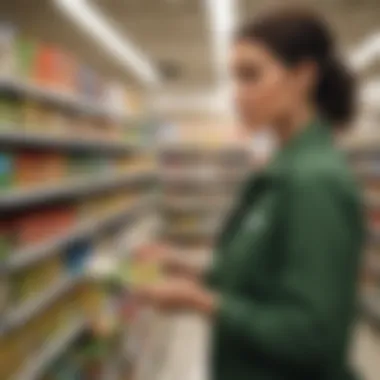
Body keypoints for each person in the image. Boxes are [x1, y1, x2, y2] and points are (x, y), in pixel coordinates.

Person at [135, 6, 364, 380]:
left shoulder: (315, 181)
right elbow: (261, 275)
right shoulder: (282, 168)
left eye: (251, 76)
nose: (237, 94)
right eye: (234, 79)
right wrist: (187, 262)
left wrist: (202, 301)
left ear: (302, 77)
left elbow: (312, 334)